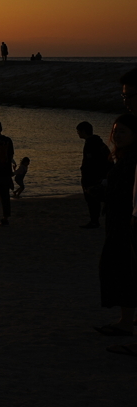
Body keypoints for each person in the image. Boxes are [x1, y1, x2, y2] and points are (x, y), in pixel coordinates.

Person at [94, 114, 137, 337]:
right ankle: (127, 319)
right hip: (118, 221)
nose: (117, 135)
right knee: (121, 269)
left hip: (125, 222)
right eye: (115, 131)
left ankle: (126, 322)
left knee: (123, 271)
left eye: (123, 131)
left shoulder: (132, 160)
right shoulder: (123, 157)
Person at [77, 121, 112, 228]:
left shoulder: (91, 144)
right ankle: (95, 220)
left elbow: (91, 162)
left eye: (78, 131)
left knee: (92, 200)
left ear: (83, 131)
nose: (78, 133)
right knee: (97, 200)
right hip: (101, 177)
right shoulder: (100, 143)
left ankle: (94, 221)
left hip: (93, 178)